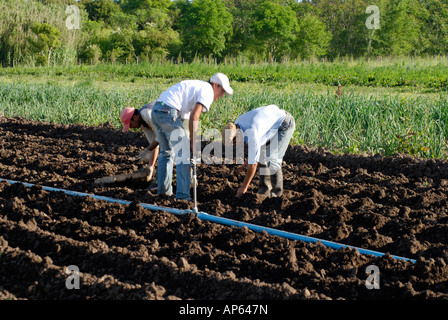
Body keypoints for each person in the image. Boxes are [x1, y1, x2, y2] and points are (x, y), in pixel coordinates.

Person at [151, 73, 233, 200]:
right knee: (183, 154)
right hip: (168, 111)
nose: (221, 95)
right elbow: (195, 116)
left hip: (157, 109)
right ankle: (183, 197)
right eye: (222, 91)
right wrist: (193, 146)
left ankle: (163, 193)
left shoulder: (197, 86)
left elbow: (187, 119)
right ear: (216, 85)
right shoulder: (207, 90)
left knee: (166, 152)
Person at [222, 104, 295, 198]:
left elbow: (253, 165)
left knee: (272, 159)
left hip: (284, 124)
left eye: (234, 142)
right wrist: (249, 160)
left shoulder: (252, 132)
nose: (235, 145)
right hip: (270, 125)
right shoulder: (236, 125)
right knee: (262, 157)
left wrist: (244, 187)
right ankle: (264, 190)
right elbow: (255, 151)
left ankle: (276, 195)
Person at [120, 101, 159, 185]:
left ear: (135, 117)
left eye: (130, 124)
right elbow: (154, 143)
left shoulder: (147, 114)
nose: (131, 127)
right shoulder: (143, 124)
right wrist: (150, 167)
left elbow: (160, 136)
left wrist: (148, 150)